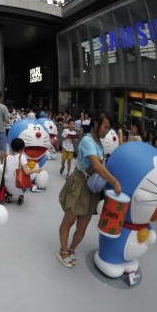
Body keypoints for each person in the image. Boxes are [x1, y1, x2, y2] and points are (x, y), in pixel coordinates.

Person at [57, 113, 122, 268]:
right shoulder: (87, 140)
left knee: (82, 226)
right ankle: (63, 251)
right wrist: (115, 182)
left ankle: (72, 249)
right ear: (96, 124)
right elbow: (97, 165)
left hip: (91, 189)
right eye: (105, 127)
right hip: (79, 184)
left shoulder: (100, 143)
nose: (107, 131)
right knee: (69, 221)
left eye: (109, 128)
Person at [4, 138, 41, 205]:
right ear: (21, 150)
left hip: (7, 187)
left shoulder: (6, 157)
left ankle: (10, 196)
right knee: (26, 177)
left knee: (10, 177)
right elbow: (26, 172)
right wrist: (35, 170)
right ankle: (21, 196)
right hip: (18, 188)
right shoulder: (22, 157)